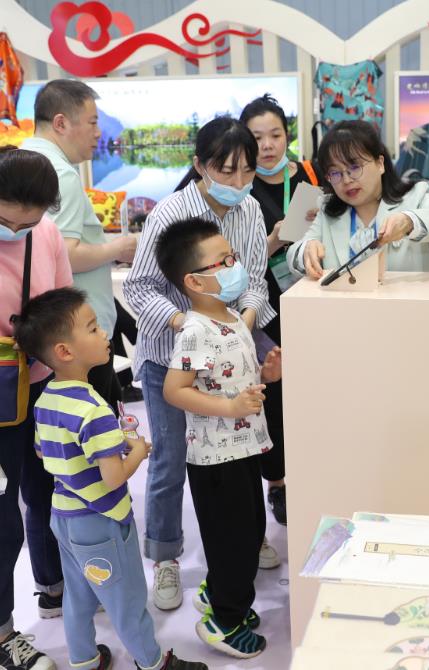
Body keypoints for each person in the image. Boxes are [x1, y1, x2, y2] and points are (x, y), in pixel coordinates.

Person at [123, 116, 278, 611]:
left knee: (238, 449)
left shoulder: (250, 209)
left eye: (247, 170)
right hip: (172, 355)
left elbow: (254, 280)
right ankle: (166, 556)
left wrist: (241, 323)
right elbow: (139, 287)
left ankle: (246, 538)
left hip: (230, 354)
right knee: (171, 459)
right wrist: (189, 324)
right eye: (226, 170)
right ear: (200, 165)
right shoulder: (171, 212)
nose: (238, 181)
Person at [14, 288, 207, 670]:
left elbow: (42, 452)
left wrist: (104, 447)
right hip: (101, 521)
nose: (105, 333)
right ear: (65, 351)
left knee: (78, 595)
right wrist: (137, 449)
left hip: (64, 516)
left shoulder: (46, 399)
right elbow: (113, 479)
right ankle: (153, 662)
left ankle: (84, 660)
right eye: (92, 328)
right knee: (127, 598)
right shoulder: (94, 410)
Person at [286, 119, 429, 497]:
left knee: (412, 453)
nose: (346, 180)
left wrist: (412, 221)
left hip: (409, 347)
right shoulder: (327, 211)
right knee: (361, 446)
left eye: (355, 166)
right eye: (335, 173)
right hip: (351, 350)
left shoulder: (414, 196)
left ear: (380, 162)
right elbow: (295, 251)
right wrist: (305, 250)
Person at [156, 218, 282, 658]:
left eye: (233, 257)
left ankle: (220, 595)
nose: (235, 266)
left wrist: (267, 374)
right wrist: (229, 408)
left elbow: (232, 378)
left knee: (249, 532)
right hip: (215, 460)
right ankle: (224, 622)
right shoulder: (195, 330)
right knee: (233, 543)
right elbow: (174, 390)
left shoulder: (232, 318)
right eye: (224, 262)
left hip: (244, 447)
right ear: (194, 281)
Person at [21, 79, 136, 411]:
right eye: (92, 122)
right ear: (61, 123)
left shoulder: (23, 162)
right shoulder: (61, 175)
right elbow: (65, 255)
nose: (98, 133)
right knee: (95, 425)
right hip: (78, 334)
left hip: (50, 332)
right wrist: (118, 249)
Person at [0, 147, 69, 670]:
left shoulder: (45, 233)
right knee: (3, 520)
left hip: (41, 385)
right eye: (6, 222)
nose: (17, 231)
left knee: (48, 492)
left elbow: (63, 303)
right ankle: (3, 633)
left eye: (28, 222)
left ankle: (54, 586)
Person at [239, 94, 320, 525]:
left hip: (311, 302)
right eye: (257, 138)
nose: (268, 146)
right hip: (262, 308)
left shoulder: (310, 175)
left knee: (311, 391)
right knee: (273, 395)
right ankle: (277, 482)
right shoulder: (238, 185)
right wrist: (271, 243)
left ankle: (312, 470)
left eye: (275, 135)